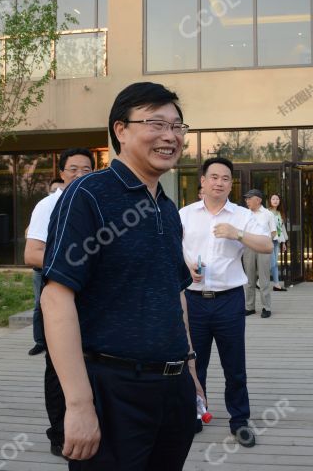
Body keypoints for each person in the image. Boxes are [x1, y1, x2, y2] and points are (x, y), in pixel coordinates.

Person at [41, 82, 204, 470]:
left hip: (173, 389)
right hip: (113, 391)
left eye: (178, 126)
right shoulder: (89, 194)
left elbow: (175, 294)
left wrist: (191, 373)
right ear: (121, 130)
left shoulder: (166, 207)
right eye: (156, 123)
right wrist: (78, 406)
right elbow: (56, 297)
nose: (170, 136)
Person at [179, 157, 271, 447]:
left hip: (229, 300)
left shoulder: (242, 215)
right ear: (203, 181)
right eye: (214, 177)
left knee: (235, 365)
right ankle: (195, 413)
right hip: (193, 300)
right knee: (195, 362)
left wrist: (238, 234)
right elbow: (172, 247)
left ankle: (239, 420)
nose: (220, 182)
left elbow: (267, 244)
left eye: (226, 178)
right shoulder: (185, 214)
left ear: (231, 184)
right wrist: (185, 265)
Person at [24, 147, 94, 458]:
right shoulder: (48, 205)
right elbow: (32, 254)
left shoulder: (97, 204)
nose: (80, 175)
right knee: (58, 367)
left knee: (94, 364)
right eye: (73, 169)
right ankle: (59, 433)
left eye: (86, 170)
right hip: (62, 297)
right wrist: (75, 266)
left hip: (97, 300)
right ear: (62, 174)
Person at [242, 189, 276, 318]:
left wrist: (265, 244)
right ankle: (249, 307)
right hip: (248, 248)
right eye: (246, 198)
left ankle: (266, 307)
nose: (247, 201)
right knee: (249, 280)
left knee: (264, 279)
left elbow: (273, 232)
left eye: (249, 198)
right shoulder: (245, 214)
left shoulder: (268, 214)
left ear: (258, 200)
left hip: (263, 248)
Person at [268, 193, 288, 291]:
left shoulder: (280, 213)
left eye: (277, 199)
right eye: (273, 199)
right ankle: (261, 282)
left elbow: (281, 228)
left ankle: (276, 284)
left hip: (277, 241)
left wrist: (284, 243)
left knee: (274, 263)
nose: (275, 201)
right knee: (272, 264)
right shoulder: (267, 212)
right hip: (269, 241)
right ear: (270, 201)